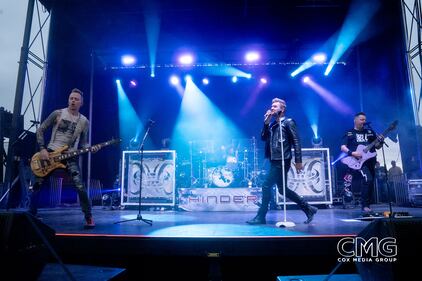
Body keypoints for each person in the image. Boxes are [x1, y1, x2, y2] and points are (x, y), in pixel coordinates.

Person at [28, 88, 100, 228]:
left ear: (81, 103)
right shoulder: (58, 113)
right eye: (71, 98)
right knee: (38, 184)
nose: (73, 101)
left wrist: (91, 149)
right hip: (50, 154)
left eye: (76, 99)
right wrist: (42, 148)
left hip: (70, 156)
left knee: (80, 186)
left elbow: (84, 143)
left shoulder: (84, 121)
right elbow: (41, 129)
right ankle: (31, 213)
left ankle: (88, 217)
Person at [247, 98, 317, 225]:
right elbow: (263, 138)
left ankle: (261, 216)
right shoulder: (273, 124)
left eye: (275, 106)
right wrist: (266, 122)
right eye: (271, 106)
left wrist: (299, 160)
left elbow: (296, 141)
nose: (272, 108)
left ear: (282, 109)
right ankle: (308, 208)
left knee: (266, 185)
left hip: (283, 159)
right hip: (274, 160)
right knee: (282, 190)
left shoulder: (288, 122)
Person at [341, 112, 383, 214]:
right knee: (367, 179)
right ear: (355, 120)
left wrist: (381, 141)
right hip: (359, 161)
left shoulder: (369, 132)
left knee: (371, 180)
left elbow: (377, 146)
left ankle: (367, 204)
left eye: (365, 120)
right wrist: (352, 153)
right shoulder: (350, 133)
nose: (364, 121)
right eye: (361, 119)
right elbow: (343, 147)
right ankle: (365, 206)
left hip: (371, 159)